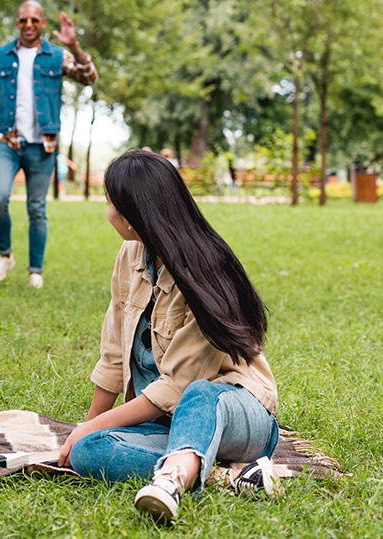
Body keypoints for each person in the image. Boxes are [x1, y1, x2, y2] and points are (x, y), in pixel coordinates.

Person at [57, 149, 280, 524]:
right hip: (167, 423)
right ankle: (230, 476)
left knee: (198, 394)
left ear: (134, 215)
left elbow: (178, 389)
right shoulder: (129, 256)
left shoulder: (205, 270)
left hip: (237, 413)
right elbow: (113, 355)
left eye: (110, 203)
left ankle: (171, 482)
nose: (107, 212)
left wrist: (96, 424)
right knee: (89, 451)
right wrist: (83, 429)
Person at [0, 1, 98, 288]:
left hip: (43, 145)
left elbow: (89, 78)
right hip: (7, 141)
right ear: (17, 22)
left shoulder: (57, 55)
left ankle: (35, 270)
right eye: (23, 20)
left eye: (34, 20)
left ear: (42, 23)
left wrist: (74, 46)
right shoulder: (1, 56)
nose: (28, 25)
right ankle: (4, 255)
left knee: (37, 208)